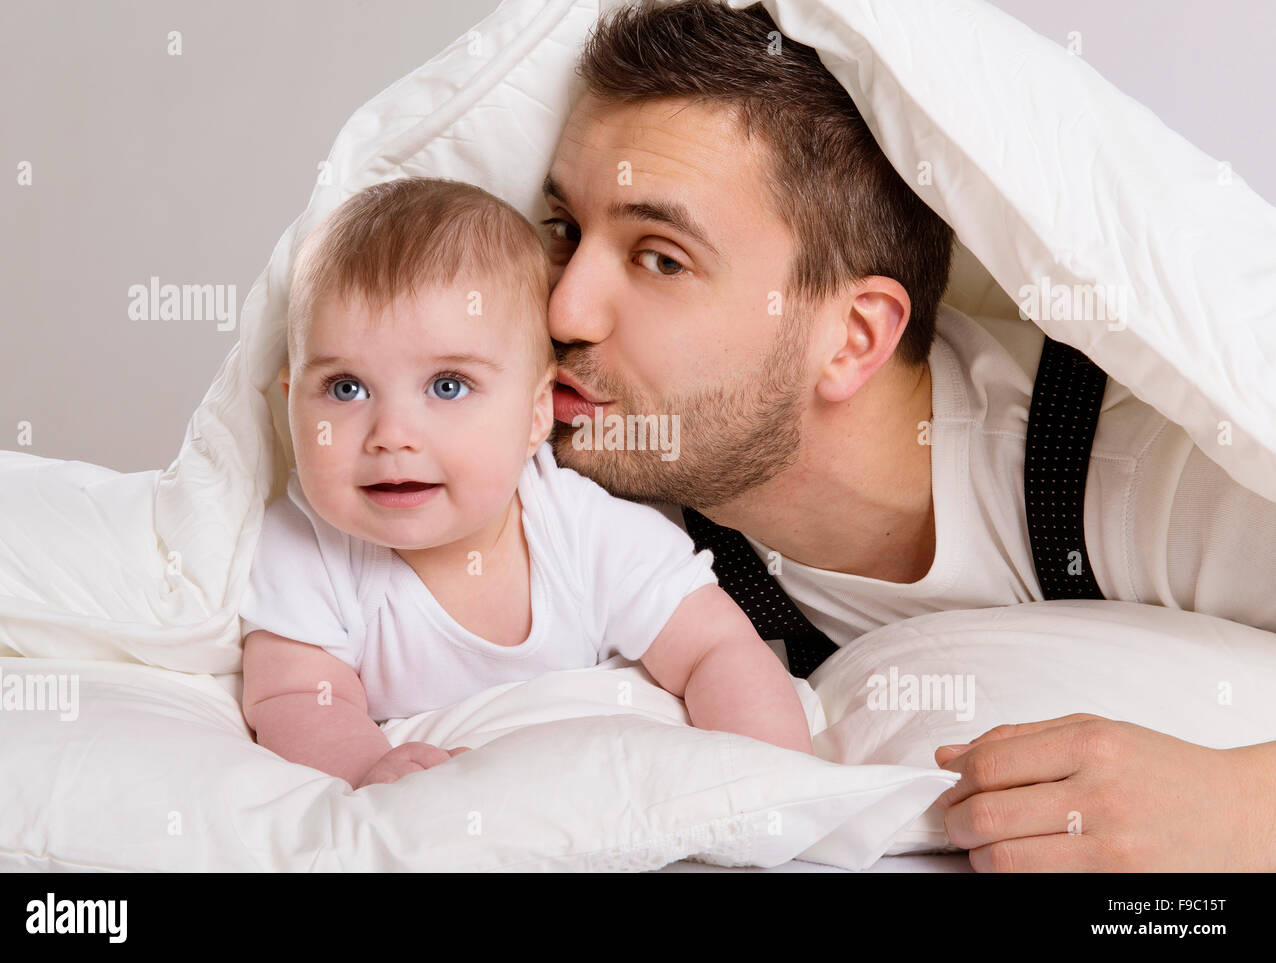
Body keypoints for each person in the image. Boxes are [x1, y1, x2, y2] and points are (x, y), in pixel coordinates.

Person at [541, 0, 1276, 870]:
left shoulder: (1148, 464)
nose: (563, 309)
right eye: (563, 232)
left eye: (660, 257)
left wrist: (1240, 808)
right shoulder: (585, 506)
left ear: (854, 337)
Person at [236, 176, 812, 791]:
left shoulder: (582, 531)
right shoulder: (308, 548)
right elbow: (294, 694)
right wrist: (365, 769)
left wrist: (768, 782)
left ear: (537, 412)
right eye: (346, 388)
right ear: (293, 403)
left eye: (447, 386)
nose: (391, 435)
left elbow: (715, 650)